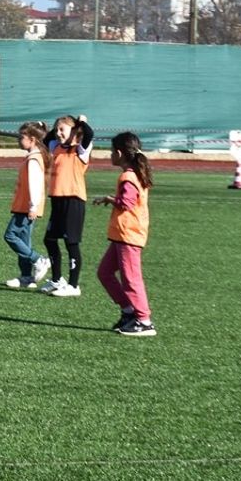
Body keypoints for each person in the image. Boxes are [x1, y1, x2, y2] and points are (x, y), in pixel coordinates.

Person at [93, 132, 156, 337]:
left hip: (129, 236)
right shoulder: (134, 173)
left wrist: (110, 199)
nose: (110, 154)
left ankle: (144, 320)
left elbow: (127, 203)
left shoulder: (128, 176)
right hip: (122, 236)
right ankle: (128, 311)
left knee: (131, 279)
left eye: (111, 151)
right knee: (104, 272)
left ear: (119, 153)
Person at [39, 114, 94, 297]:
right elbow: (46, 139)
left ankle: (73, 285)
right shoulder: (56, 147)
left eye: (62, 129)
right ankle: (56, 280)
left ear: (74, 131)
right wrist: (51, 130)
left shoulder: (80, 150)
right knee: (50, 239)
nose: (58, 133)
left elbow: (89, 134)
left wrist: (81, 123)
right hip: (57, 199)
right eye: (57, 129)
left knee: (71, 242)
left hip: (74, 200)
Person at [4, 122, 53, 288]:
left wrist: (33, 206)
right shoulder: (35, 156)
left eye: (21, 137)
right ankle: (26, 277)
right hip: (25, 206)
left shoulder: (33, 159)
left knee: (10, 236)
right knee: (24, 241)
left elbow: (35, 184)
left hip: (27, 207)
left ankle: (39, 260)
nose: (19, 140)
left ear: (32, 139)